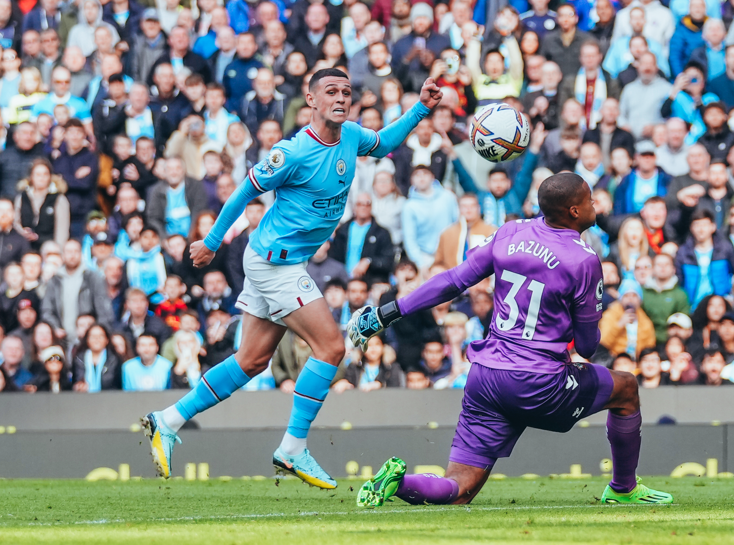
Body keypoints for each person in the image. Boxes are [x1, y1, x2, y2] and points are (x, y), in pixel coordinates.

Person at [139, 69, 443, 489]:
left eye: (346, 92)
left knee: (251, 361)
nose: (340, 98)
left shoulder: (351, 136)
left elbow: (387, 143)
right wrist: (210, 241)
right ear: (311, 99)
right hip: (272, 263)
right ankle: (293, 447)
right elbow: (243, 192)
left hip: (284, 262)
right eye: (331, 92)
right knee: (332, 345)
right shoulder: (293, 151)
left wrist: (423, 106)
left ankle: (167, 421)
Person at [347, 172, 672, 506]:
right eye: (590, 199)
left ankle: (397, 484)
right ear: (574, 211)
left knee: (459, 488)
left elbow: (454, 280)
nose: (595, 205)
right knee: (627, 388)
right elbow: (588, 347)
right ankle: (623, 488)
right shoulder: (584, 260)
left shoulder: (511, 232)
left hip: (485, 376)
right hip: (539, 382)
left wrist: (386, 312)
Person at [598, 278, 657, 358]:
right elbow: (603, 342)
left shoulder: (645, 320)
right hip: (615, 359)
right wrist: (619, 325)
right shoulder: (610, 315)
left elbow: (650, 345)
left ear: (640, 300)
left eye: (634, 296)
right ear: (620, 299)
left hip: (637, 361)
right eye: (626, 296)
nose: (630, 299)